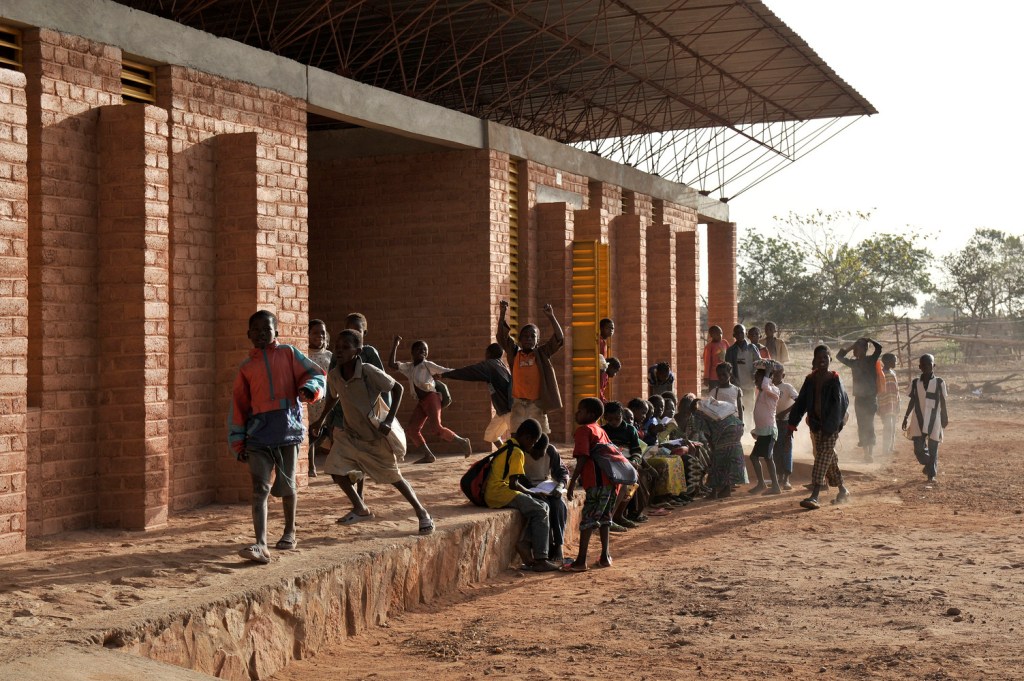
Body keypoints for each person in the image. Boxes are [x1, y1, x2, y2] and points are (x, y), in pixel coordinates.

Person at [312, 329, 434, 535]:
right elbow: (334, 397)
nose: (339, 351)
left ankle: (422, 513)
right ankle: (360, 508)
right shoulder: (334, 375)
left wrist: (388, 419)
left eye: (345, 347)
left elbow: (397, 389)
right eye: (337, 347)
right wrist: (321, 419)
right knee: (334, 469)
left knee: (394, 477)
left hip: (374, 436)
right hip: (350, 435)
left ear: (357, 351)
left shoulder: (367, 371)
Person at [229, 310, 327, 564]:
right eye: (257, 330)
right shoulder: (246, 368)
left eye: (267, 330)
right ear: (248, 335)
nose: (262, 334)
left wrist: (310, 389)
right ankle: (260, 543)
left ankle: (289, 531)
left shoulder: (289, 354)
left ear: (276, 332)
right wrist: (238, 440)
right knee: (259, 487)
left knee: (286, 486)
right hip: (258, 436)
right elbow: (238, 406)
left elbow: (316, 375)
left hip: (288, 431)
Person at [483, 418, 562, 572]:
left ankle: (525, 542)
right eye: (532, 443)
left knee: (544, 505)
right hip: (500, 492)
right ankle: (541, 558)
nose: (531, 447)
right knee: (540, 510)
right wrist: (532, 493)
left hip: (496, 491)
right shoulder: (518, 452)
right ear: (527, 438)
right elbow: (514, 484)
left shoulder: (508, 444)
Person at [787, 345, 852, 510]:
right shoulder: (810, 380)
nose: (822, 360)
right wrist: (792, 424)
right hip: (816, 425)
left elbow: (840, 405)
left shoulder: (835, 380)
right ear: (814, 361)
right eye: (819, 358)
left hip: (832, 426)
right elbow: (801, 402)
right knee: (829, 459)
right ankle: (843, 491)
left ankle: (815, 495)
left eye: (825, 357)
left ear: (830, 359)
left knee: (822, 456)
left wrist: (831, 429)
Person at [389, 336, 472, 464]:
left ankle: (462, 441)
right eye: (419, 349)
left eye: (425, 350)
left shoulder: (427, 365)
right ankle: (428, 455)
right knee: (412, 429)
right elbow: (391, 364)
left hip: (432, 398)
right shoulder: (409, 367)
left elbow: (446, 370)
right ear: (412, 352)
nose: (423, 351)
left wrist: (462, 372)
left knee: (436, 428)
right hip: (422, 402)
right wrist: (395, 344)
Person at [564, 398, 616, 572]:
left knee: (588, 520)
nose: (576, 413)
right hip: (609, 482)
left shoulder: (584, 430)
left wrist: (572, 483)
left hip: (595, 481)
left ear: (591, 414)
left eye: (581, 410)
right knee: (604, 518)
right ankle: (605, 556)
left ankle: (580, 561)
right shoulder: (600, 430)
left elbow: (583, 457)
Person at [497, 301, 565, 434]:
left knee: (540, 437)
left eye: (532, 336)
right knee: (516, 435)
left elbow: (559, 338)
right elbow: (502, 337)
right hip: (518, 403)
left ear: (537, 340)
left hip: (537, 404)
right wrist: (502, 313)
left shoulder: (542, 353)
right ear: (520, 339)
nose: (528, 339)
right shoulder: (515, 352)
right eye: (525, 336)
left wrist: (551, 316)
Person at [441, 343, 512, 450]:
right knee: (491, 434)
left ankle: (519, 459)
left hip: (509, 409)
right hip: (502, 410)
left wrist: (446, 374)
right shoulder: (500, 365)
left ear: (488, 353)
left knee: (518, 437)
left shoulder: (490, 365)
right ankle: (506, 454)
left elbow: (468, 372)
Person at [601, 400, 656, 528]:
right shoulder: (603, 431)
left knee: (634, 481)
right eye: (610, 420)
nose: (614, 422)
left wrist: (635, 461)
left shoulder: (630, 430)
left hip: (628, 462)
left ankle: (619, 514)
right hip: (610, 463)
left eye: (617, 418)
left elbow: (637, 451)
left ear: (622, 416)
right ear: (605, 418)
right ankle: (611, 516)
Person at [524, 432, 571, 563]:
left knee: (558, 504)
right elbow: (518, 478)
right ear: (530, 446)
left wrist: (560, 486)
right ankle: (547, 547)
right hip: (529, 488)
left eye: (542, 453)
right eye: (537, 452)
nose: (540, 456)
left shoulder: (550, 450)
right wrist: (532, 491)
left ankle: (559, 545)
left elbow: (562, 472)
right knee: (545, 507)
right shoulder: (521, 452)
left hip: (545, 486)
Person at [903, 354, 948, 483]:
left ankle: (931, 475)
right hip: (918, 418)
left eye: (929, 365)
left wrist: (945, 416)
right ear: (920, 367)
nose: (926, 367)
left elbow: (943, 401)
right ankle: (928, 464)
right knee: (918, 450)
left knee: (934, 446)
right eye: (924, 365)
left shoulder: (939, 382)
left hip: (935, 418)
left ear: (933, 366)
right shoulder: (915, 383)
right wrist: (906, 417)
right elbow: (912, 400)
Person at [836, 337, 883, 462]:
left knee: (869, 424)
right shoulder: (854, 363)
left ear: (865, 349)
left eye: (860, 348)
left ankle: (870, 454)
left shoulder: (871, 360)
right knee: (862, 425)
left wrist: (870, 339)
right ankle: (866, 453)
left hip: (870, 398)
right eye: (856, 349)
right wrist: (853, 345)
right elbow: (839, 356)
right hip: (860, 398)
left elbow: (879, 348)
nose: (857, 350)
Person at [694, 394, 748, 499]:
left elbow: (706, 433)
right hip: (737, 427)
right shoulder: (711, 407)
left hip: (725, 431)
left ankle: (713, 492)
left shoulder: (698, 414)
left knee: (717, 461)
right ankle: (726, 490)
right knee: (729, 457)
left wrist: (713, 448)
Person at [748, 360, 782, 494]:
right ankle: (769, 485)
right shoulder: (763, 392)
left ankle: (772, 486)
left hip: (769, 431)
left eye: (758, 378)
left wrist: (767, 372)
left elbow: (766, 386)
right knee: (764, 458)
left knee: (760, 457)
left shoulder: (774, 390)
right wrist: (757, 431)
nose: (756, 381)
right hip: (764, 431)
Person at [306, 318, 333, 477]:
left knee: (329, 433)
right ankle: (310, 467)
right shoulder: (305, 355)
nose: (319, 336)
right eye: (315, 332)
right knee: (311, 435)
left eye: (322, 332)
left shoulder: (329, 356)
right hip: (311, 402)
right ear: (308, 335)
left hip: (327, 402)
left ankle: (335, 467)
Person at [771, 363, 800, 490]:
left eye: (778, 374)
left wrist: (785, 412)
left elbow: (798, 401)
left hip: (785, 422)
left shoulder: (787, 387)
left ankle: (786, 479)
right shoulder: (769, 387)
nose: (775, 376)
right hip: (773, 422)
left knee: (786, 448)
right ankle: (779, 477)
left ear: (783, 375)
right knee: (776, 449)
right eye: (773, 374)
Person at [725, 324, 758, 429]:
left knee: (750, 408)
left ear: (745, 333)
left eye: (741, 332)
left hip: (750, 385)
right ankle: (740, 428)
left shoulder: (752, 348)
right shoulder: (731, 351)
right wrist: (732, 379)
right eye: (737, 332)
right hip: (737, 386)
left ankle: (749, 428)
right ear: (734, 335)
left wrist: (755, 374)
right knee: (739, 408)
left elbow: (759, 363)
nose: (739, 334)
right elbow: (727, 368)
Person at [878, 352, 901, 455]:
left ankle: (890, 448)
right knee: (888, 426)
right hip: (884, 403)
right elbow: (878, 390)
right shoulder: (881, 374)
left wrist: (898, 402)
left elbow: (897, 389)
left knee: (892, 427)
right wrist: (878, 405)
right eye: (894, 360)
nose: (896, 362)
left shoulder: (893, 372)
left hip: (893, 402)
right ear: (887, 362)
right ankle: (885, 449)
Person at [702, 326, 730, 392]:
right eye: (717, 334)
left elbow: (729, 354)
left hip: (725, 374)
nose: (720, 335)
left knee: (724, 392)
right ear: (711, 335)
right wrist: (706, 377)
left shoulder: (724, 342)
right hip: (714, 376)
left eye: (721, 333)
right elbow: (707, 362)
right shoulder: (709, 347)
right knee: (714, 393)